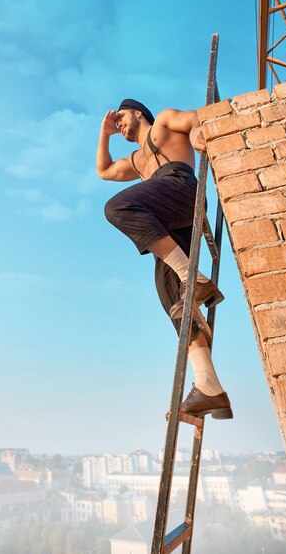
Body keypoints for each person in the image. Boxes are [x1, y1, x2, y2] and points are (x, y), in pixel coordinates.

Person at [96, 99, 232, 419]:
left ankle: (192, 276)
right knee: (172, 299)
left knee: (117, 208)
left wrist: (199, 132)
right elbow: (104, 171)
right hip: (168, 218)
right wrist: (104, 135)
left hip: (181, 188)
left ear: (138, 112)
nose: (120, 125)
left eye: (121, 118)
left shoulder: (165, 122)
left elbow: (197, 117)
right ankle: (210, 386)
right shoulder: (136, 160)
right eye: (116, 124)